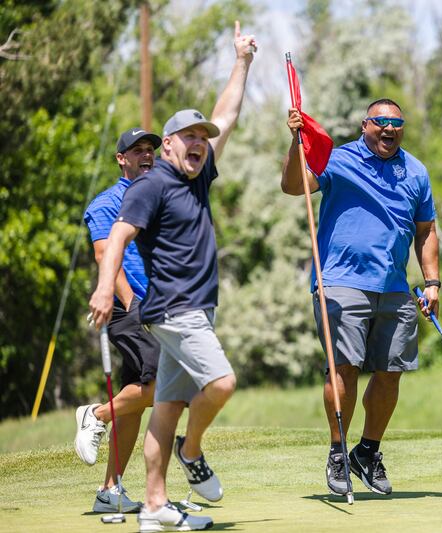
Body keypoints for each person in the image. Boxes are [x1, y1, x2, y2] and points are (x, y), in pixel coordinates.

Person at [89, 21, 256, 532]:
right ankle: (193, 450)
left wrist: (242, 62)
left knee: (166, 407)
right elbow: (117, 237)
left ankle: (154, 506)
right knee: (222, 383)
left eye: (202, 138)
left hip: (193, 307)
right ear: (167, 145)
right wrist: (104, 289)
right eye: (189, 136)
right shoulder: (151, 185)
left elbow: (226, 114)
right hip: (173, 308)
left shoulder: (197, 176)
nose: (199, 142)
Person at [281, 98, 441, 496]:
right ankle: (338, 451)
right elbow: (293, 186)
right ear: (365, 125)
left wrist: (433, 282)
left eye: (396, 123)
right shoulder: (338, 159)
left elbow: (426, 230)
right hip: (340, 281)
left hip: (395, 287)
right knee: (344, 368)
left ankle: (367, 452)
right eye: (380, 121)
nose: (389, 129)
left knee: (391, 372)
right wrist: (295, 143)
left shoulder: (416, 171)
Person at [76, 127, 163, 514]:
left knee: (137, 397)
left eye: (150, 150)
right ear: (121, 158)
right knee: (162, 386)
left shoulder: (156, 197)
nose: (146, 155)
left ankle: (109, 491)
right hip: (127, 310)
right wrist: (131, 304)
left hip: (158, 308)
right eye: (137, 150)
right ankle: (94, 414)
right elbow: (103, 255)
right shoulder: (106, 203)